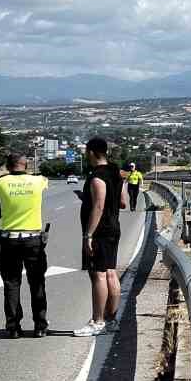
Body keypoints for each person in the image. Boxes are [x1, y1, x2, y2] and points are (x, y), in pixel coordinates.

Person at [0, 154, 50, 337]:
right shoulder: (38, 181)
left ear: (7, 166)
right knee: (37, 282)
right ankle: (40, 325)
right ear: (26, 165)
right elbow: (46, 182)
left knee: (11, 283)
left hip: (10, 240)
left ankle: (13, 326)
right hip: (33, 240)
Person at [76, 137, 128, 337]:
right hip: (114, 227)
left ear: (91, 152)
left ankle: (98, 321)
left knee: (98, 274)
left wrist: (88, 235)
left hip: (100, 231)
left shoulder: (97, 176)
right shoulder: (116, 172)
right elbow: (122, 202)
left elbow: (99, 204)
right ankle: (111, 320)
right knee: (111, 273)